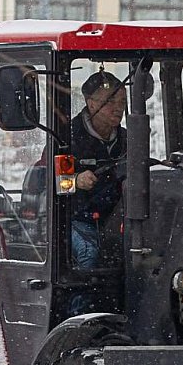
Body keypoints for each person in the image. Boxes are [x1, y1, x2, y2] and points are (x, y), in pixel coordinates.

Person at [68, 70, 128, 271]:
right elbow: (45, 182)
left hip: (117, 218)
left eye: (122, 102)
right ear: (90, 103)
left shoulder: (128, 139)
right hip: (75, 218)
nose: (118, 108)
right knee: (89, 255)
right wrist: (75, 181)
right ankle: (82, 301)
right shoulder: (67, 138)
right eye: (110, 101)